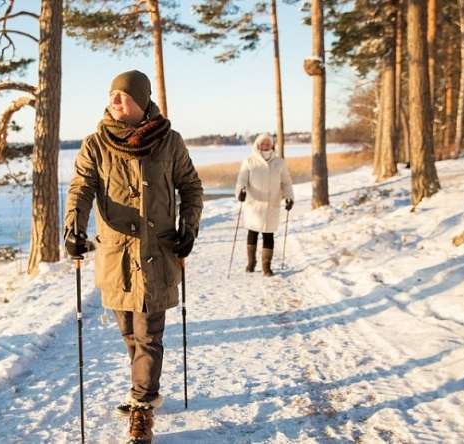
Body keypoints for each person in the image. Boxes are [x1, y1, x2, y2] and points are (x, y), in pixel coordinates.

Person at [64, 70, 203, 444]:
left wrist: (189, 228)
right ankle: (144, 385)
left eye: (122, 95)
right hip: (116, 256)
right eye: (111, 94)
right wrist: (72, 228)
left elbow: (190, 186)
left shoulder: (169, 142)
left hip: (158, 252)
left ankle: (142, 407)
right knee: (128, 333)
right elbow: (81, 188)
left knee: (148, 334)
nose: (114, 101)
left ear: (141, 101)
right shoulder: (96, 144)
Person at [235, 133, 294, 277]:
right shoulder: (249, 161)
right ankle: (251, 262)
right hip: (254, 204)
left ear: (272, 145)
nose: (265, 145)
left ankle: (266, 266)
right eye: (263, 143)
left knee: (268, 235)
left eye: (268, 143)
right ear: (257, 144)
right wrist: (240, 192)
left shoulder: (279, 162)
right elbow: (241, 180)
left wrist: (289, 197)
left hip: (272, 204)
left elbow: (286, 182)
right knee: (252, 233)